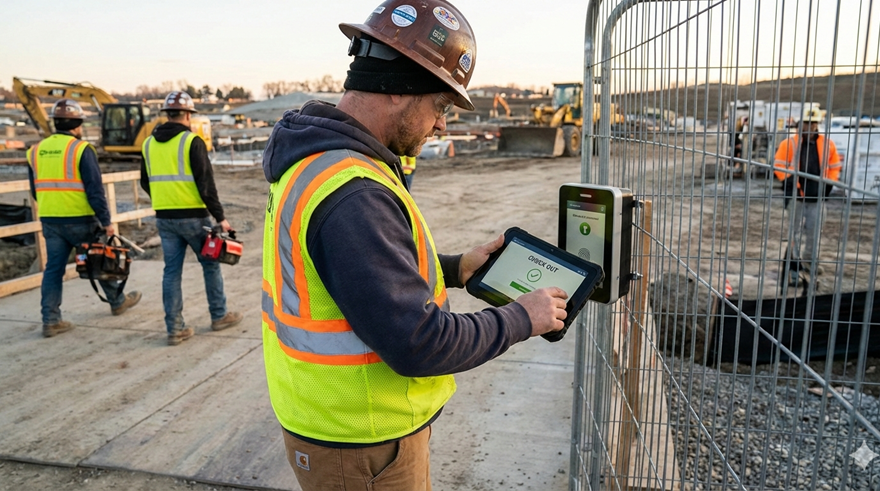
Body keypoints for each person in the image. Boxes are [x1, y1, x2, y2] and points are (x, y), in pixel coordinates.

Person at [260, 1, 569, 489]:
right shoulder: (353, 190)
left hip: (340, 426)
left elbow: (352, 274)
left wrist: (454, 268)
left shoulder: (321, 160)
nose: (443, 124)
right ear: (399, 91)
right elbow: (418, 344)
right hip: (362, 441)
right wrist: (521, 318)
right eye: (441, 105)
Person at [26, 99, 142, 337]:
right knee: (98, 260)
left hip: (51, 219)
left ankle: (50, 320)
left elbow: (34, 190)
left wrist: (52, 207)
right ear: (77, 124)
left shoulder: (35, 151)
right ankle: (117, 301)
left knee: (53, 270)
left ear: (55, 122)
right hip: (81, 218)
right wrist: (107, 221)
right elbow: (95, 190)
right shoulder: (81, 149)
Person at [140, 91, 243, 346]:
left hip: (164, 218)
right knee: (210, 265)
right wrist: (221, 218)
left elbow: (145, 181)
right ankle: (219, 316)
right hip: (195, 218)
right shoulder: (191, 142)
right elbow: (206, 185)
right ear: (188, 114)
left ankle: (174, 329)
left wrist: (165, 199)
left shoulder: (148, 144)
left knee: (171, 272)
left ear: (167, 114)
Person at [773, 104, 841, 289]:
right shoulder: (789, 143)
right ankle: (794, 268)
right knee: (793, 233)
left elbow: (834, 166)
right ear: (799, 124)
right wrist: (790, 181)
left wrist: (828, 184)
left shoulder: (827, 144)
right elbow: (778, 165)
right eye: (806, 122)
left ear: (817, 124)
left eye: (813, 123)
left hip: (817, 196)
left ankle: (810, 263)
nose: (809, 126)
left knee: (814, 233)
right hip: (796, 196)